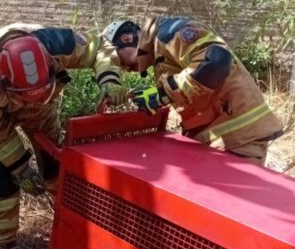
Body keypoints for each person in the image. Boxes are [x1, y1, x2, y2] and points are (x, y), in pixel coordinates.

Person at [0, 23, 125, 249]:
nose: (34, 102)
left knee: (55, 165)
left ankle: (73, 224)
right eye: (27, 98)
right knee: (2, 172)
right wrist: (21, 169)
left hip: (41, 116)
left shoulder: (57, 44)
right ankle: (1, 245)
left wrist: (109, 78)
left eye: (41, 93)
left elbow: (100, 44)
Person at [103, 16, 283, 165]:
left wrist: (163, 95)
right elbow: (191, 86)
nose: (124, 68)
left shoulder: (171, 34)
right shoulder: (160, 54)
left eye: (118, 60)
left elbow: (215, 63)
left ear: (127, 39)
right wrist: (154, 96)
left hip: (239, 138)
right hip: (224, 140)